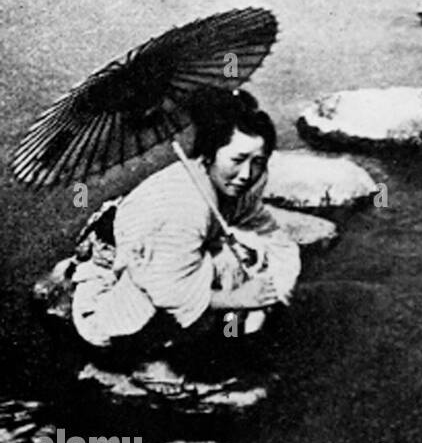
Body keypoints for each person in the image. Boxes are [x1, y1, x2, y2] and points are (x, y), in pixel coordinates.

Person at [70, 90, 300, 362]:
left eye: (258, 163)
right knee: (128, 329)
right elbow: (169, 290)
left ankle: (231, 337)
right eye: (237, 160)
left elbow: (270, 233)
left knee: (244, 257)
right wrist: (238, 298)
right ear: (210, 153)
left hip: (173, 246)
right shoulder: (184, 207)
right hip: (123, 260)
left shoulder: (240, 187)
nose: (247, 175)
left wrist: (276, 288)